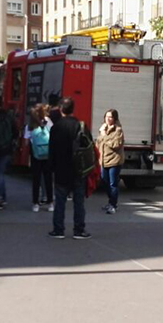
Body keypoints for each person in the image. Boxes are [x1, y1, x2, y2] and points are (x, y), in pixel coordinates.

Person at [48, 97, 91, 240]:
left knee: (60, 200)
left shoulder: (56, 127)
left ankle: (58, 229)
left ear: (61, 110)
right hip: (78, 168)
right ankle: (79, 230)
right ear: (73, 109)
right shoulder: (81, 126)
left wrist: (51, 167)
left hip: (61, 167)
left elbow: (52, 150)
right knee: (79, 200)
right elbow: (89, 147)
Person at [26, 104, 54, 212]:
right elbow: (53, 133)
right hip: (47, 154)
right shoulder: (47, 121)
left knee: (36, 179)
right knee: (48, 179)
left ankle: (35, 203)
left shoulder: (31, 125)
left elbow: (26, 140)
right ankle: (50, 202)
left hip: (35, 154)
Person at [97, 109, 125, 215]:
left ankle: (113, 205)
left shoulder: (118, 130)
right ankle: (110, 201)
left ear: (115, 118)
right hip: (103, 160)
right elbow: (99, 143)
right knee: (104, 181)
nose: (108, 119)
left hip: (114, 160)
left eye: (110, 117)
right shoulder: (103, 128)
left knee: (113, 183)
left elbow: (116, 145)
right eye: (106, 117)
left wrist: (104, 135)